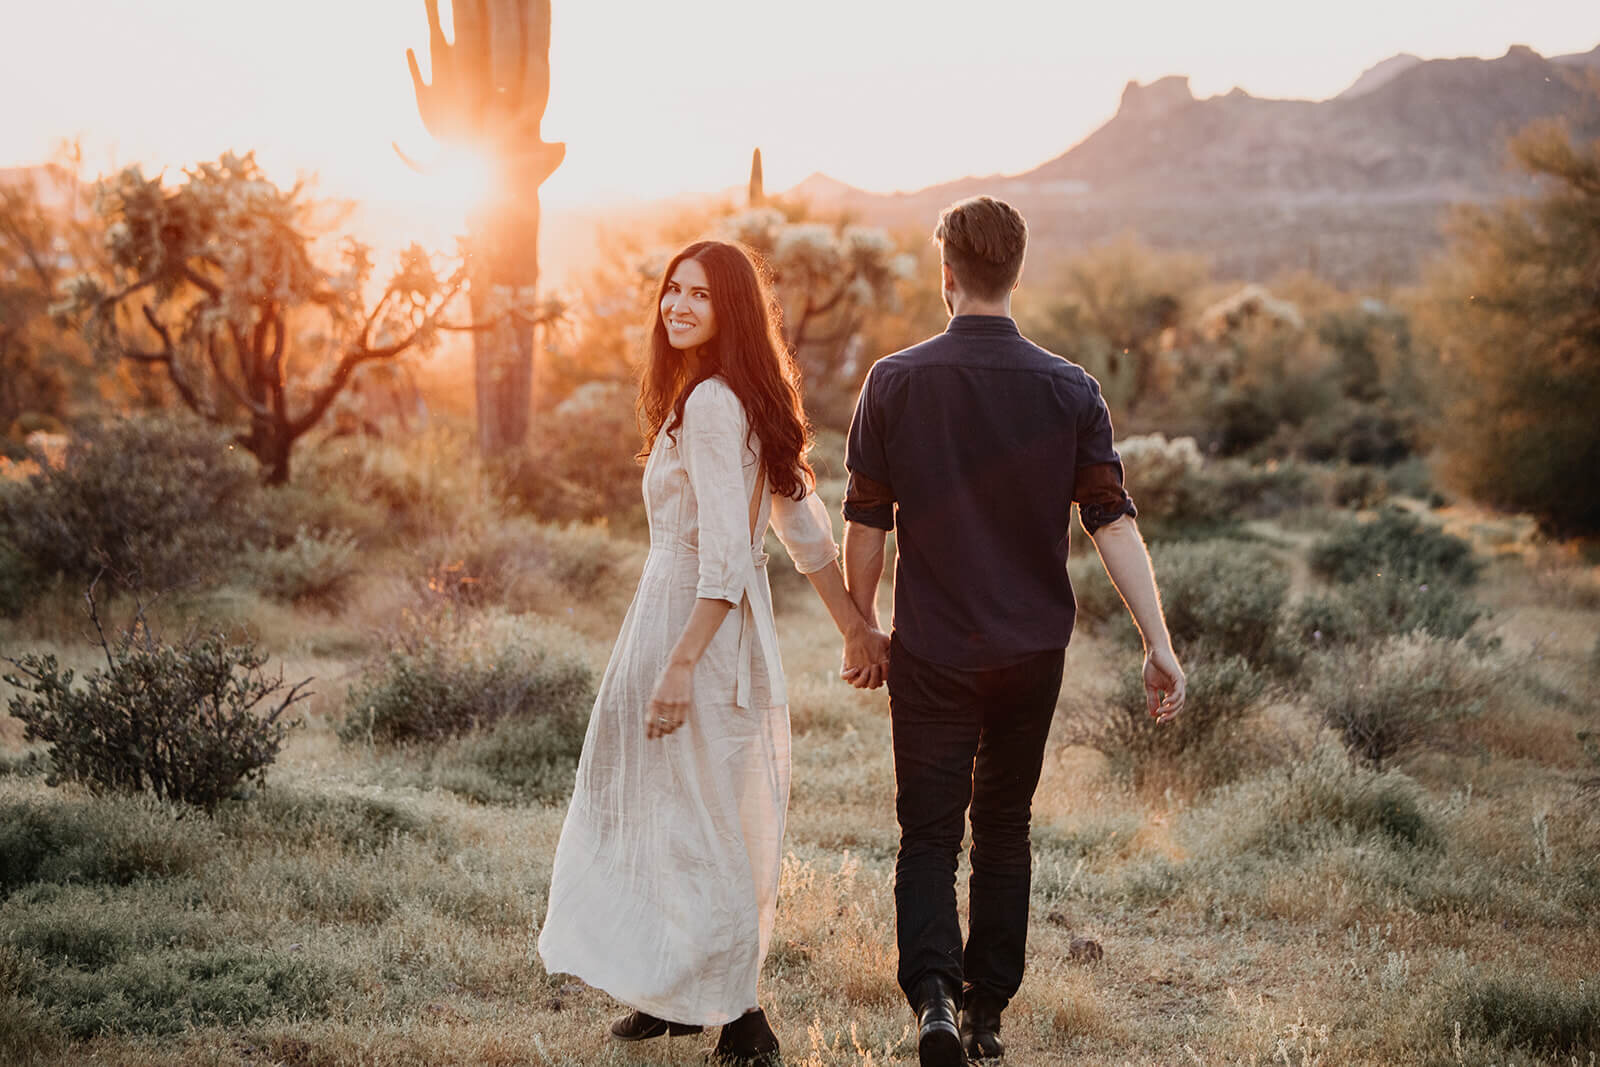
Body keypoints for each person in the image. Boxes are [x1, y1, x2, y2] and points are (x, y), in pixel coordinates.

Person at [839, 196, 1187, 1066]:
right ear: (1018, 273)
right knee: (1003, 826)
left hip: (932, 651)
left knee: (927, 832)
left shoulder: (894, 379)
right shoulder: (1071, 387)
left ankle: (933, 1004)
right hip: (1031, 654)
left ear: (946, 273)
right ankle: (987, 1012)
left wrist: (865, 625)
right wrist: (1158, 640)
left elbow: (866, 520)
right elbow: (1112, 518)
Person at [539, 239, 890, 1066]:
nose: (679, 305)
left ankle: (741, 1016)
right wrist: (854, 627)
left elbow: (729, 559)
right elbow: (801, 527)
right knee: (676, 806)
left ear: (730, 307)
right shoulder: (724, 395)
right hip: (698, 614)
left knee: (700, 814)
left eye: (700, 293)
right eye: (673, 290)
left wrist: (681, 662)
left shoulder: (710, 404)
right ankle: (674, 994)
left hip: (695, 620)